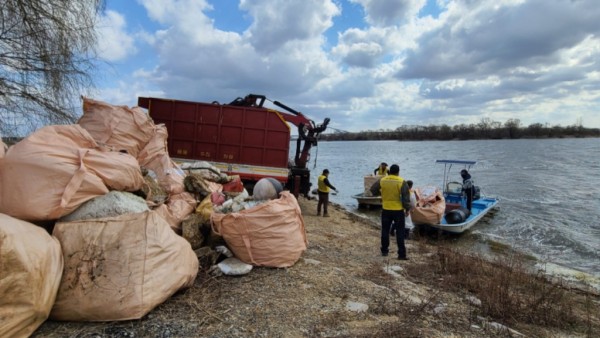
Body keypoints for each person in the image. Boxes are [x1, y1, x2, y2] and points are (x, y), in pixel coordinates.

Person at [379, 164, 411, 260]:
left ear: (389, 171)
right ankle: (401, 255)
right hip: (398, 210)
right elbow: (406, 198)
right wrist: (407, 209)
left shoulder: (382, 180)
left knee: (385, 230)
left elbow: (373, 189)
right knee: (400, 232)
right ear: (398, 172)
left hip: (386, 209)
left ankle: (384, 251)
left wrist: (382, 197)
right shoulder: (401, 181)